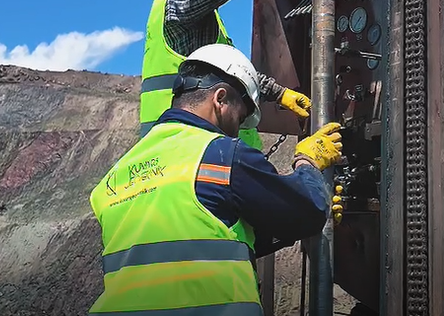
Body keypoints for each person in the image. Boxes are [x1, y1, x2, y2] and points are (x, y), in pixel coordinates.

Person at [90, 43, 344, 314]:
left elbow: (200, 241)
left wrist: (280, 224)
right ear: (220, 99)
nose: (237, 130)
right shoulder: (221, 154)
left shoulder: (114, 178)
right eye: (240, 118)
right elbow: (306, 211)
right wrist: (309, 163)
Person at [143, 0, 312, 148]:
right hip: (189, 146)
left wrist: (279, 93)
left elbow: (228, 73)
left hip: (192, 146)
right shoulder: (177, 6)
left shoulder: (199, 17)